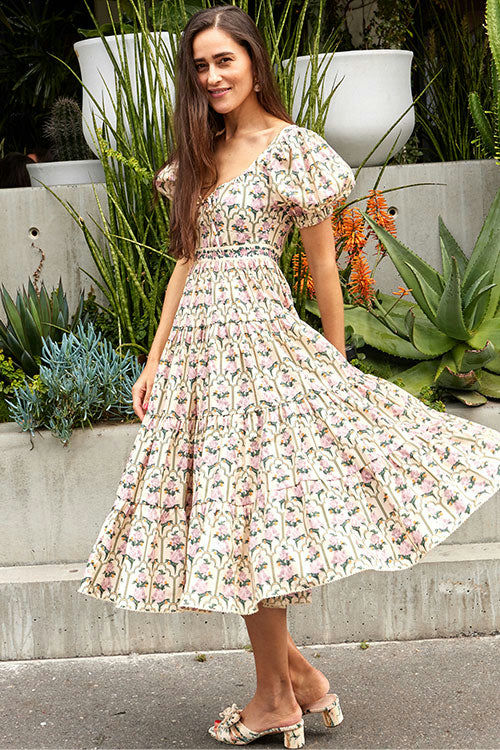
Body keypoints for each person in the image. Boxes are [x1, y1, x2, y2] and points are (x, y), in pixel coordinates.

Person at [77, 5, 500, 748]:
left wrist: (334, 358)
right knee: (233, 514)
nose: (212, 77)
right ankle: (293, 681)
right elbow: (184, 262)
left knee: (250, 514)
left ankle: (277, 695)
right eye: (201, 66)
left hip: (261, 348)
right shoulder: (196, 155)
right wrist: (155, 358)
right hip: (199, 358)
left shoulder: (294, 150)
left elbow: (322, 266)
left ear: (253, 61)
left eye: (224, 61)